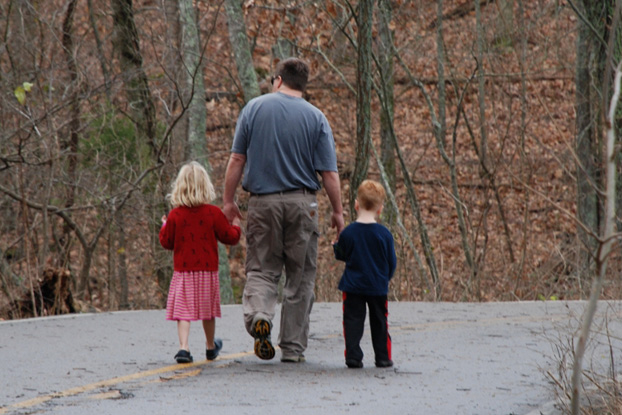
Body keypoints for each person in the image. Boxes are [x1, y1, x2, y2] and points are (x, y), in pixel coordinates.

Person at [223, 57, 344, 363]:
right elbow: (329, 174)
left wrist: (228, 201)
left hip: (263, 203)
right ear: (303, 85)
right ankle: (292, 348)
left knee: (263, 269)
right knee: (300, 276)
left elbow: (237, 159)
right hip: (304, 204)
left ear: (278, 80)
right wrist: (339, 213)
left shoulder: (253, 108)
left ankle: (261, 315)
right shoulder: (316, 118)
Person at [160, 161, 241, 364]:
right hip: (207, 271)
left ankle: (184, 348)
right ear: (206, 186)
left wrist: (164, 226)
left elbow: (166, 242)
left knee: (183, 311)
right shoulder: (213, 213)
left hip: (183, 272)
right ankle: (210, 346)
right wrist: (237, 226)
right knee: (208, 311)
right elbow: (229, 237)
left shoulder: (175, 215)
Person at [333, 179, 396, 369]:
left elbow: (342, 254)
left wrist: (336, 247)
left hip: (353, 286)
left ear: (356, 204)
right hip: (377, 285)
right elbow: (391, 262)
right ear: (380, 209)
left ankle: (353, 355)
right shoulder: (384, 234)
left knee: (352, 321)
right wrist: (386, 277)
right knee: (380, 321)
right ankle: (382, 357)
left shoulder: (348, 233)